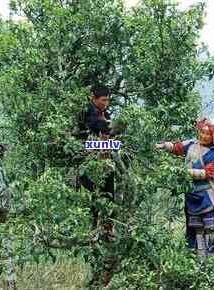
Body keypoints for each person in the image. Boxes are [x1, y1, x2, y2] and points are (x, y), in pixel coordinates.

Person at [155, 117, 214, 258]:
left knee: (209, 228)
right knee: (195, 228)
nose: (204, 136)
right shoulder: (191, 144)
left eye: (208, 134)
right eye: (202, 132)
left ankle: (210, 260)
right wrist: (163, 146)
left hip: (206, 196)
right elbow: (177, 147)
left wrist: (182, 173)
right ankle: (196, 259)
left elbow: (208, 173)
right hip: (191, 195)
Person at [74, 85, 119, 287]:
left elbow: (107, 131)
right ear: (93, 98)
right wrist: (110, 130)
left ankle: (107, 224)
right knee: (94, 193)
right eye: (102, 100)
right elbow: (96, 127)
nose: (105, 103)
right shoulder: (87, 112)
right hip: (90, 156)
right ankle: (94, 227)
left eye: (107, 100)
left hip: (104, 157)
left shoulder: (105, 112)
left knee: (109, 189)